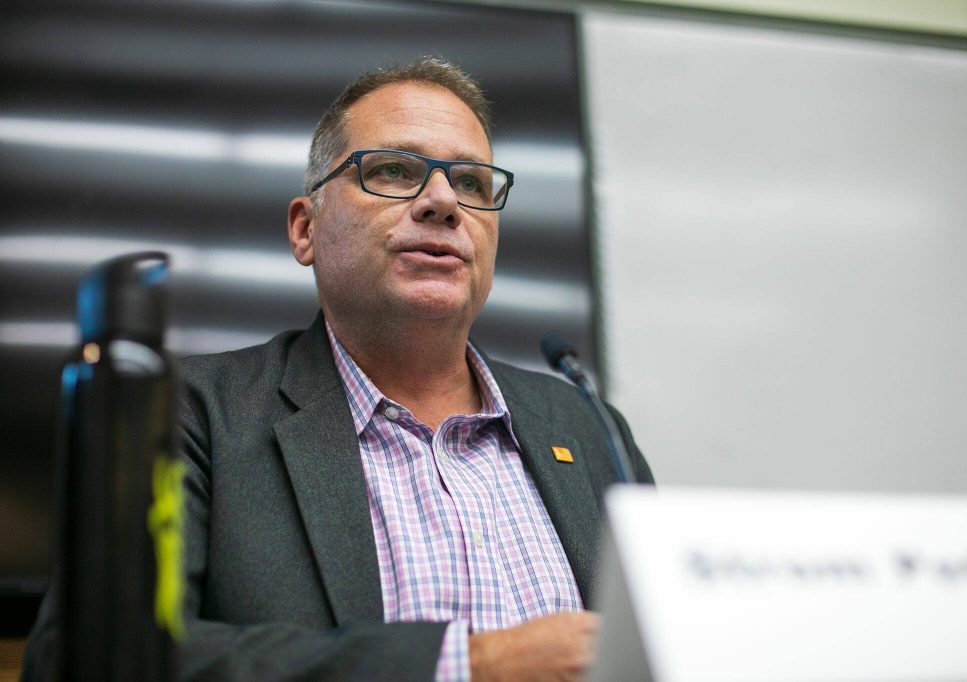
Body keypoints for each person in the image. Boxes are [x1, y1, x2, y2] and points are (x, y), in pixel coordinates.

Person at [25, 57, 652, 681]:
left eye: (472, 183)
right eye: (393, 171)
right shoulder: (192, 413)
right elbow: (83, 660)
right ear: (305, 229)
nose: (442, 202)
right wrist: (472, 665)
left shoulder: (587, 425)